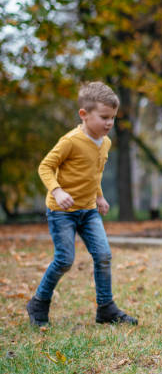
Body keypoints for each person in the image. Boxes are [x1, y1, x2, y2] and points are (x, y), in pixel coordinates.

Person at [26, 81, 137, 327]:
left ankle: (106, 308)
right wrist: (57, 190)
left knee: (103, 255)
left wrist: (99, 196)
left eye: (113, 118)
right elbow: (45, 166)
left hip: (88, 210)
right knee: (65, 260)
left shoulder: (105, 143)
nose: (109, 123)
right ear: (84, 115)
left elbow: (93, 173)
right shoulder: (71, 141)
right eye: (104, 117)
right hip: (62, 211)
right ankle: (39, 302)